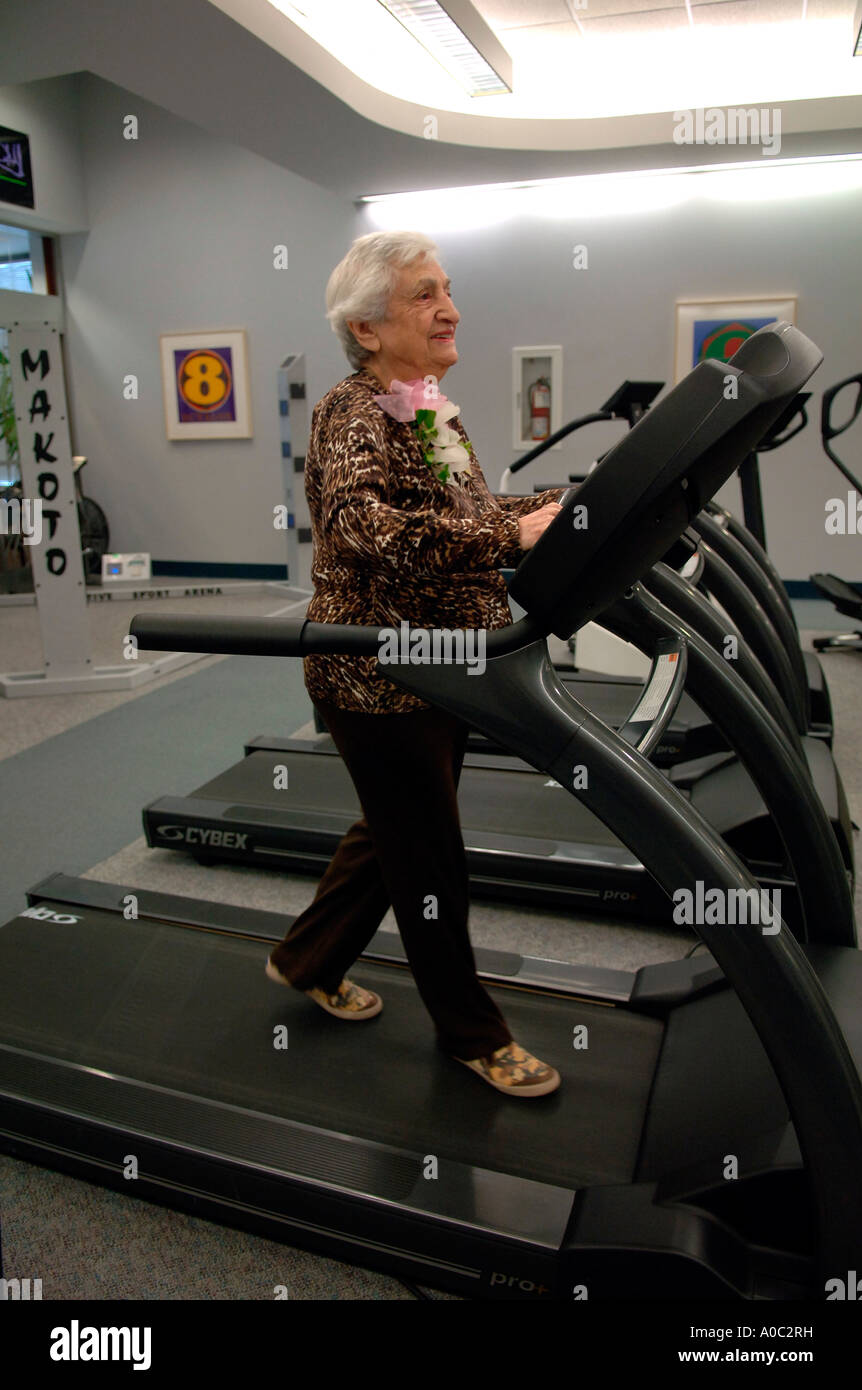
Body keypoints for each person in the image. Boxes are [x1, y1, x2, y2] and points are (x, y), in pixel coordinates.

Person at [266, 230, 564, 1097]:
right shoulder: (350, 410)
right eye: (425, 295)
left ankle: (305, 957)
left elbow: (465, 507)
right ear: (367, 328)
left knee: (391, 833)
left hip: (440, 664)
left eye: (448, 289)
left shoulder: (428, 405)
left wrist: (554, 506)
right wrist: (507, 534)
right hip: (380, 674)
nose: (450, 308)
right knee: (428, 854)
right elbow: (368, 531)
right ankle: (472, 1033)